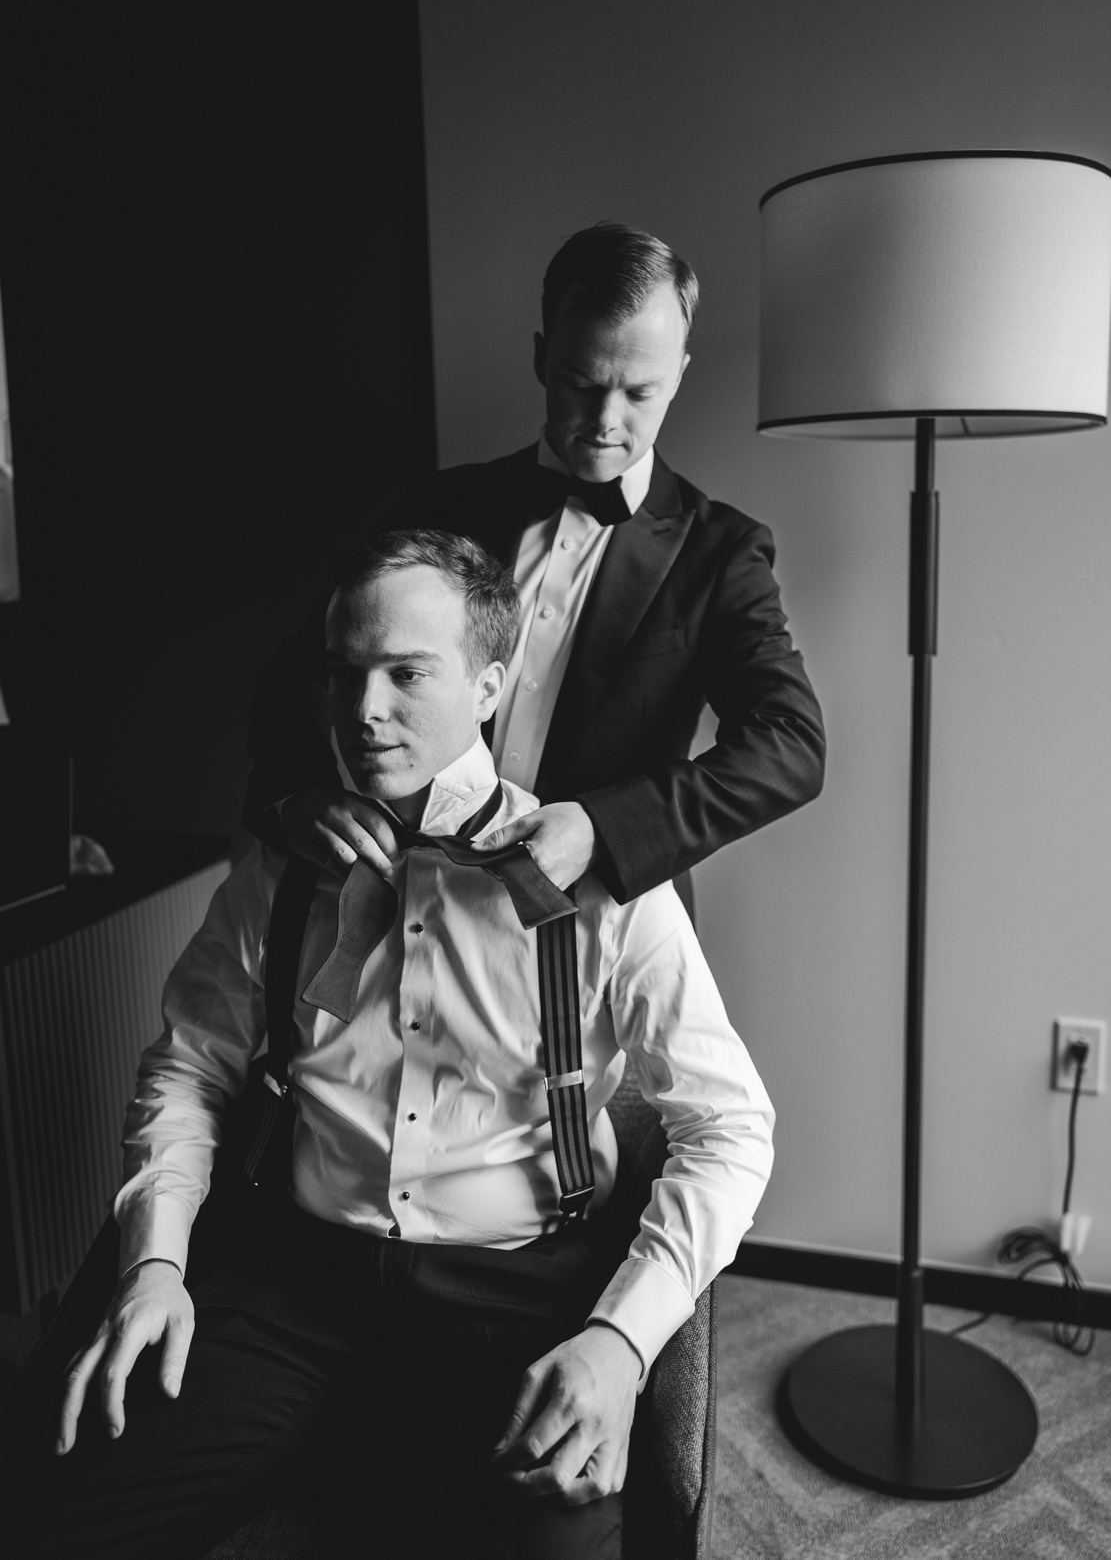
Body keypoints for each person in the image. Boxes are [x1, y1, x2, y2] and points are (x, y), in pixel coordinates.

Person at [11, 530, 774, 1560]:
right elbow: (188, 1069)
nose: (364, 711)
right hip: (286, 1284)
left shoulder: (601, 887)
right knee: (55, 1514)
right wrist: (155, 1262)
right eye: (345, 673)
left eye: (407, 673)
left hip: (508, 1294)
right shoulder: (282, 872)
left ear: (490, 684)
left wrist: (618, 1339)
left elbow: (728, 1128)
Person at [244, 222, 825, 905]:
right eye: (582, 383)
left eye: (638, 392)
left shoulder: (722, 551)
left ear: (679, 376)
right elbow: (306, 672)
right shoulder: (440, 503)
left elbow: (789, 746)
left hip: (603, 918)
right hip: (405, 898)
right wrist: (295, 797)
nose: (606, 419)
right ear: (542, 358)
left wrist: (603, 828)